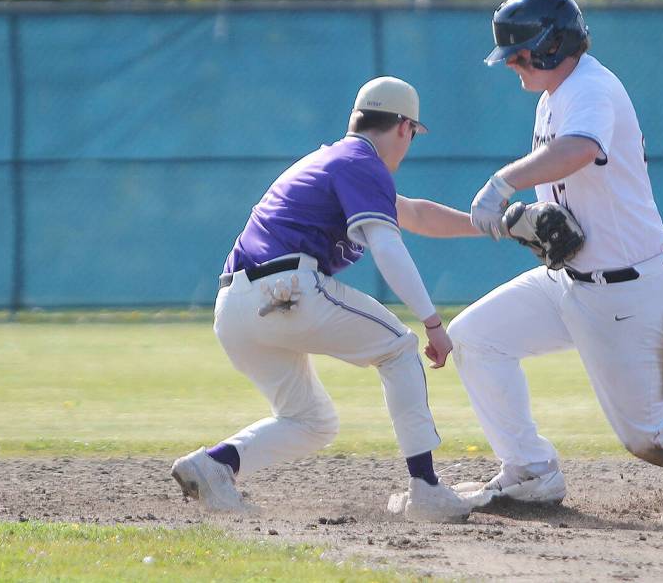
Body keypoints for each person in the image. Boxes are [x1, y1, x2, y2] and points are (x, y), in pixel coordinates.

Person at [439, 0, 663, 509]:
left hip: (628, 291)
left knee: (649, 438)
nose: (512, 65)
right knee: (476, 338)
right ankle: (530, 471)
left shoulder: (589, 86)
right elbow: (575, 193)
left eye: (519, 53)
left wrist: (504, 183)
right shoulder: (554, 96)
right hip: (571, 282)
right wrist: (535, 221)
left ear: (551, 44)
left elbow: (582, 149)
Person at [171, 77, 479, 522]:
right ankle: (425, 487)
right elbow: (388, 245)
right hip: (285, 288)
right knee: (398, 347)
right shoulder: (362, 163)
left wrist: (492, 227)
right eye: (413, 132)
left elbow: (412, 213)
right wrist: (432, 322)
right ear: (403, 127)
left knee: (311, 421)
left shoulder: (339, 160)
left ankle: (215, 465)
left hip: (235, 307)